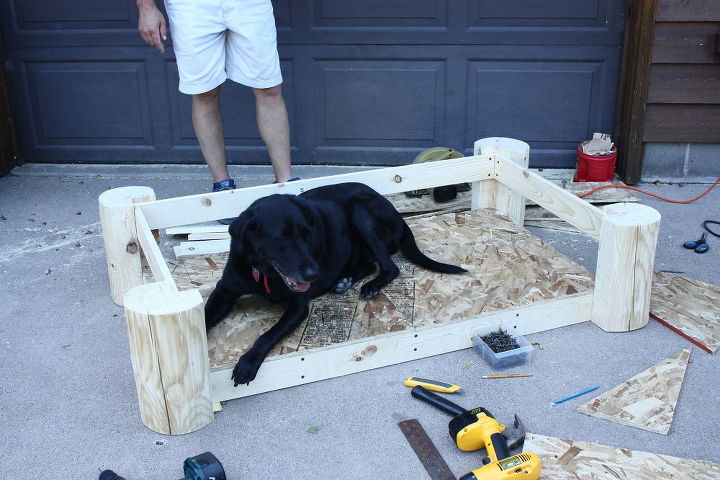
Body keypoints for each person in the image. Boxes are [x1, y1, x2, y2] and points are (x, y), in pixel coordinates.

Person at [136, 0, 297, 218]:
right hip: (191, 6)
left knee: (269, 88)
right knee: (204, 92)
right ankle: (222, 186)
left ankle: (286, 185)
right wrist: (146, 7)